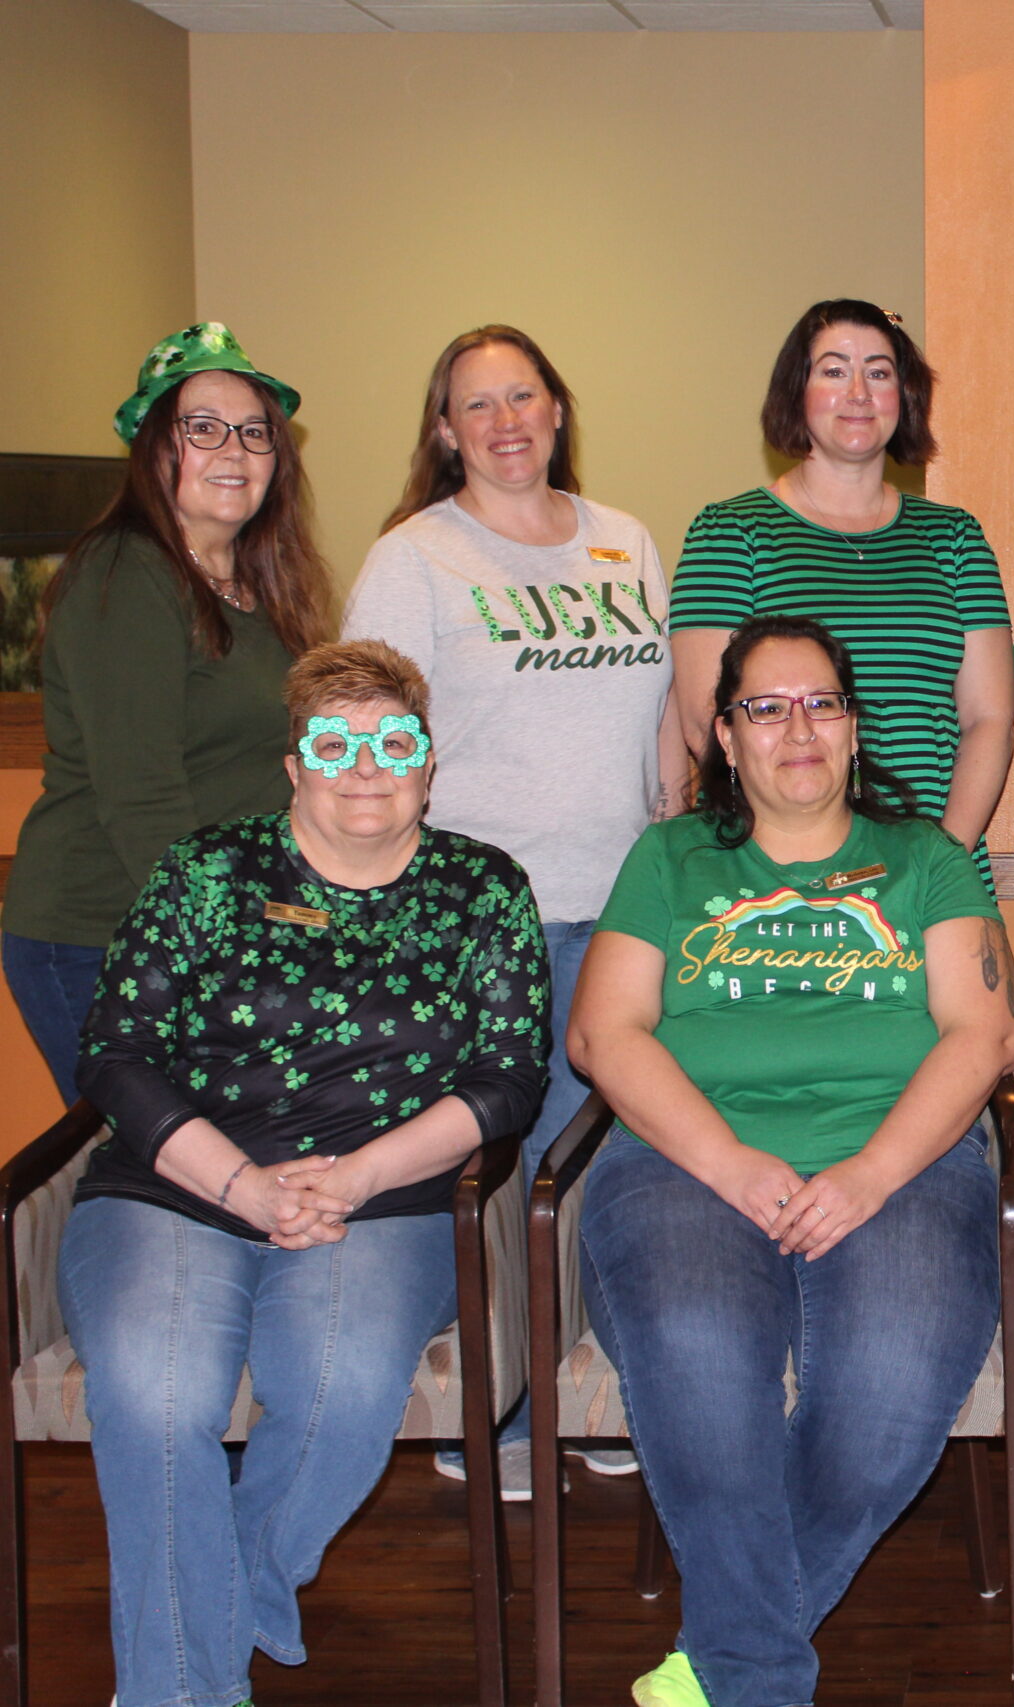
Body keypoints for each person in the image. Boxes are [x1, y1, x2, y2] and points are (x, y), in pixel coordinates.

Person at [58, 639, 549, 1707]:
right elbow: (116, 1050)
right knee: (158, 1389)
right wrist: (243, 1183)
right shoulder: (203, 872)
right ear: (293, 765)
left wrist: (359, 1175)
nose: (363, 766)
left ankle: (225, 1596)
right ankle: (181, 1691)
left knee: (335, 1386)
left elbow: (509, 1079)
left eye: (392, 742)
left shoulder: (484, 888)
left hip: (385, 1195)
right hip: (177, 1182)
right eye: (334, 741)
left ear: (429, 762)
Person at [567, 615, 1014, 1707]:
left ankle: (727, 1667)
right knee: (698, 1356)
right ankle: (759, 1680)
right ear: (724, 737)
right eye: (764, 708)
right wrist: (727, 1162)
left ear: (855, 726)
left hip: (900, 1166)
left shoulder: (925, 860)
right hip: (686, 1165)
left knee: (889, 1384)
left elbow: (987, 1035)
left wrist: (868, 1175)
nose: (796, 728)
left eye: (820, 702)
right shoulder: (672, 857)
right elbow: (604, 1034)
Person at [345, 324, 683, 1493]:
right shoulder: (415, 556)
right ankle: (502, 1414)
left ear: (555, 408)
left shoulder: (623, 539)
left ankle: (585, 1394)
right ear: (446, 430)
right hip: (490, 921)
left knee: (616, 1167)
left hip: (630, 913)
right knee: (519, 1175)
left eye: (523, 396)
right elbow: (372, 743)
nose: (504, 422)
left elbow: (665, 726)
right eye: (476, 405)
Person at [4, 323, 330, 1103]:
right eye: (203, 427)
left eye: (255, 433)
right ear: (154, 449)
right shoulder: (127, 573)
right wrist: (232, 950)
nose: (235, 450)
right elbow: (143, 796)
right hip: (104, 931)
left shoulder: (262, 585)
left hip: (216, 921)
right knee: (153, 1170)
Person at [670, 299, 1013, 887]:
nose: (859, 391)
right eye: (834, 370)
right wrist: (797, 862)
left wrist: (940, 862)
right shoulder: (730, 533)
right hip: (778, 876)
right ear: (796, 392)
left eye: (879, 372)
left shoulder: (955, 537)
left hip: (934, 871)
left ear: (902, 397)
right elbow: (709, 720)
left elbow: (989, 718)